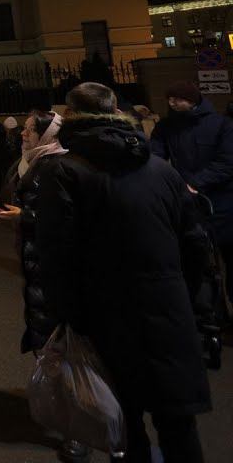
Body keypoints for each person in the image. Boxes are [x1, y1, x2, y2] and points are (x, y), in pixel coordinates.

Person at [37, 83, 211, 461]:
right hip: (168, 306)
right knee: (178, 424)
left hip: (103, 312)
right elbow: (196, 245)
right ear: (116, 109)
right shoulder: (161, 170)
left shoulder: (64, 171)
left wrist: (66, 315)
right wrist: (182, 294)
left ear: (70, 115)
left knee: (125, 428)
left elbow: (55, 254)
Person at [0, 110, 87, 462]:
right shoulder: (32, 162)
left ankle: (78, 429)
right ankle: (62, 413)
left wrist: (25, 216)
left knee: (63, 347)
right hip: (38, 263)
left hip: (57, 268)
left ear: (46, 134)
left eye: (30, 130)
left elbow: (64, 217)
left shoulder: (56, 167)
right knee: (50, 343)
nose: (23, 134)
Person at [149, 80, 233, 307]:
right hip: (188, 204)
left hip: (222, 202)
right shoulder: (166, 127)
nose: (172, 103)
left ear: (192, 100)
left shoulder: (222, 125)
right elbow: (155, 157)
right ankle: (211, 311)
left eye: (178, 99)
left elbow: (227, 162)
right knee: (197, 263)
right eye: (170, 99)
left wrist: (195, 182)